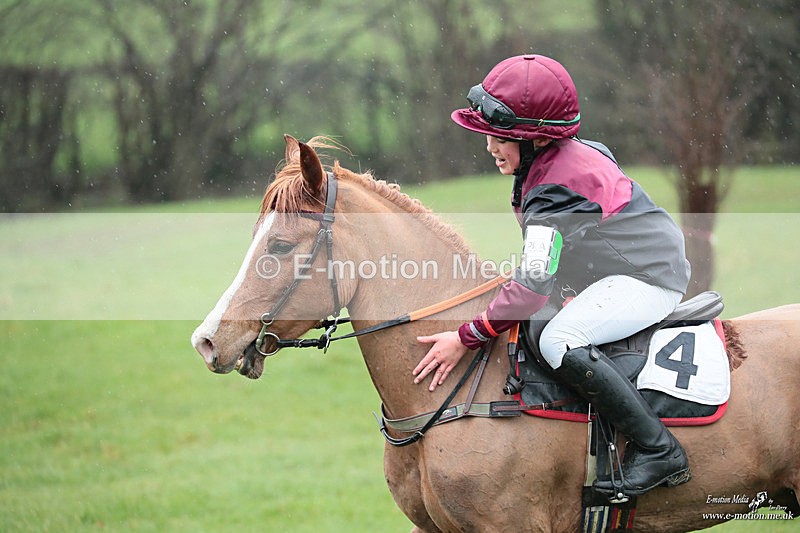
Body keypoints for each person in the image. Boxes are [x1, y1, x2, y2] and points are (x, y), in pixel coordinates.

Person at [412, 54, 692, 498]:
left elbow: (529, 288)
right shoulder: (559, 159)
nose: (490, 147)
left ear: (538, 139)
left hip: (649, 279)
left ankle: (659, 450)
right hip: (620, 268)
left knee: (557, 339)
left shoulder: (553, 187)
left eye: (501, 137)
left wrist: (466, 335)